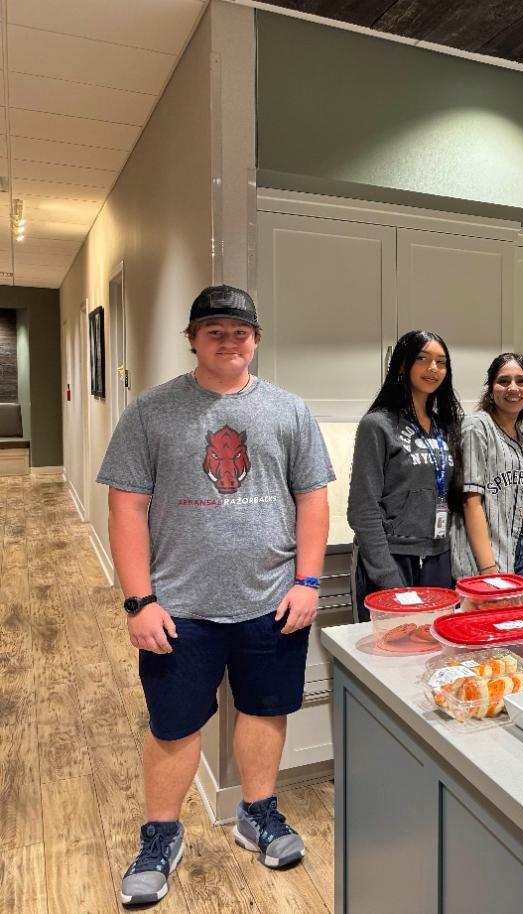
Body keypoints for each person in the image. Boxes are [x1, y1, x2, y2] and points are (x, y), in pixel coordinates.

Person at [98, 285, 334, 906]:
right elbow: (126, 507)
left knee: (265, 710)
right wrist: (138, 601)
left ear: (256, 339)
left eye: (240, 331)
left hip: (273, 600)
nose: (229, 341)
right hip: (178, 607)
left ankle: (258, 814)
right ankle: (161, 835)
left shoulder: (289, 411)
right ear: (193, 340)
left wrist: (308, 582)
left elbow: (313, 500)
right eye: (215, 331)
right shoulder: (152, 412)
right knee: (173, 725)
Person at [347, 330, 463, 619]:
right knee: (392, 642)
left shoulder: (446, 427)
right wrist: (388, 579)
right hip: (392, 558)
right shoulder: (378, 425)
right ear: (402, 364)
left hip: (438, 557)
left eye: (441, 362)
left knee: (434, 641)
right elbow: (363, 508)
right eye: (422, 359)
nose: (433, 368)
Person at [452, 352, 523, 580]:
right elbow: (471, 502)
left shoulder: (520, 436)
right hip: (490, 555)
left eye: (521, 381)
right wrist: (488, 568)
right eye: (504, 381)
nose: (513, 388)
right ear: (491, 389)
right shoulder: (476, 427)